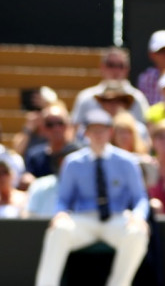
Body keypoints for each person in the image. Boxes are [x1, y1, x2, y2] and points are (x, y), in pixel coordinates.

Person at [34, 109, 150, 286]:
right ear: (86, 133)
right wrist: (60, 214)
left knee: (137, 233)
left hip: (117, 218)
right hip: (83, 219)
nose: (98, 135)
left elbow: (140, 198)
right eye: (93, 130)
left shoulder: (127, 161)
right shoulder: (72, 162)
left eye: (102, 130)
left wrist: (138, 216)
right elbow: (64, 199)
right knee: (58, 231)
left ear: (110, 132)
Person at [71, 48, 150, 127]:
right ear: (101, 67)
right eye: (110, 65)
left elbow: (145, 130)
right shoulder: (86, 97)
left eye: (120, 66)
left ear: (127, 69)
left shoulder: (138, 98)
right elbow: (75, 129)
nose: (115, 70)